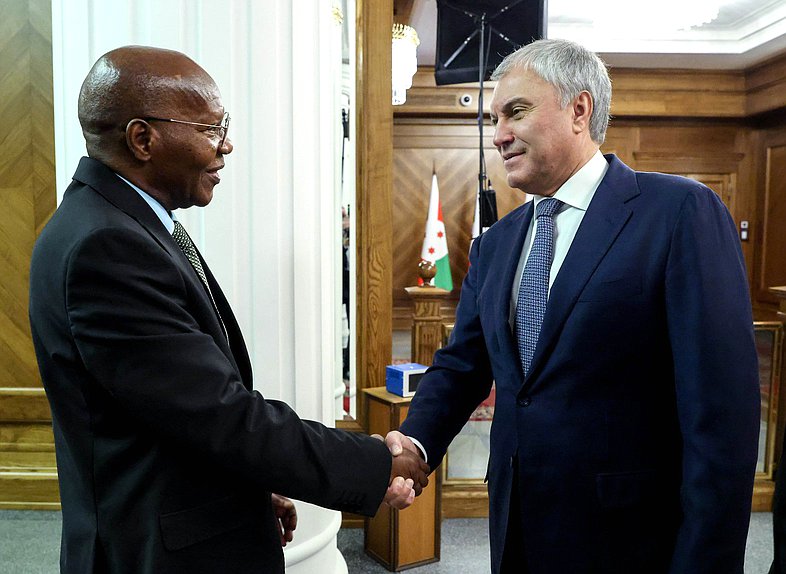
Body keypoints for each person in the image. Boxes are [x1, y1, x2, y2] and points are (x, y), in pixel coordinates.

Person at [28, 45, 428, 574]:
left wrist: (246, 493)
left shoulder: (120, 222)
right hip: (156, 552)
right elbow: (220, 413)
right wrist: (377, 464)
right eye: (210, 129)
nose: (227, 146)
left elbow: (171, 412)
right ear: (142, 139)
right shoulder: (107, 247)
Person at [386, 38, 759, 574]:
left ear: (579, 109)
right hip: (517, 527)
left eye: (516, 111)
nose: (499, 135)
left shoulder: (680, 213)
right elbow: (462, 366)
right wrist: (416, 446)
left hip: (630, 541)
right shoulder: (496, 244)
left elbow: (721, 420)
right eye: (494, 118)